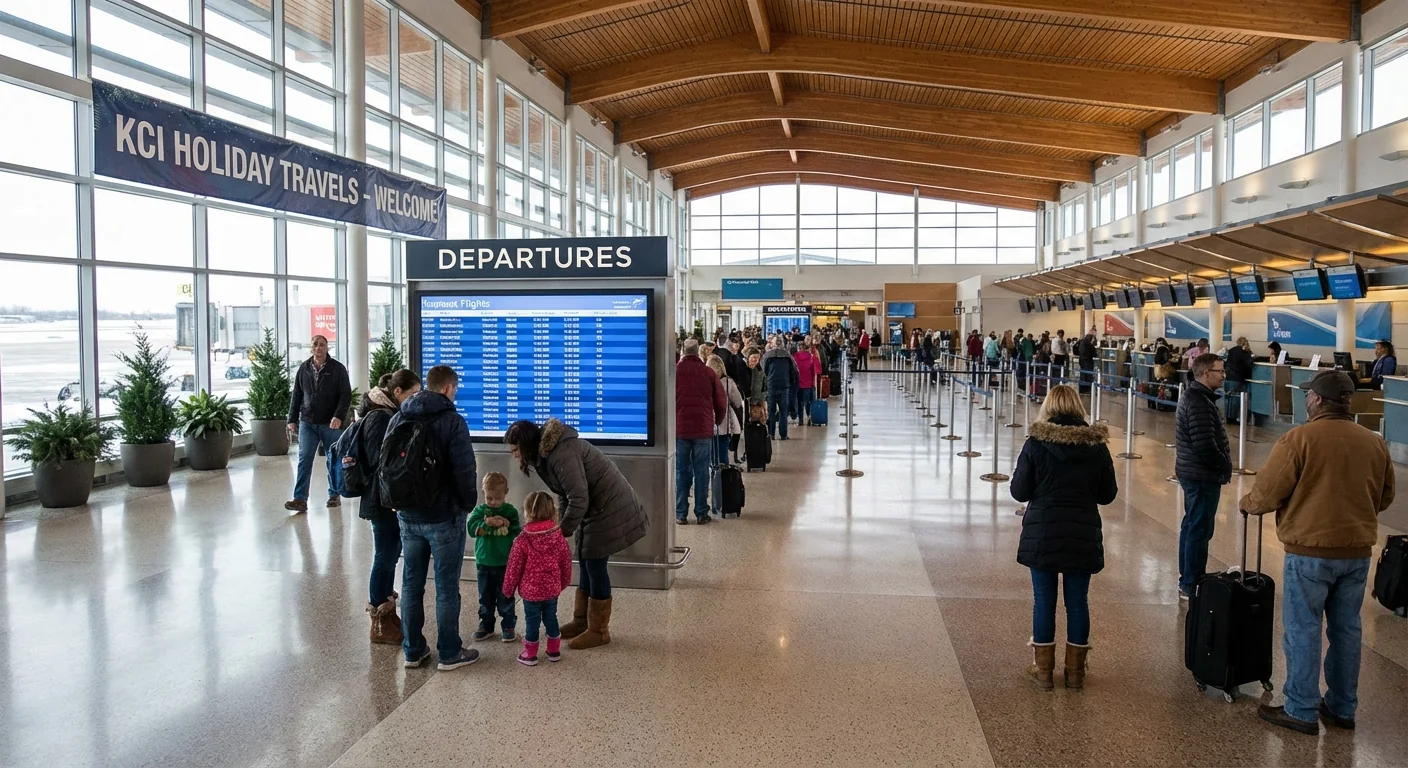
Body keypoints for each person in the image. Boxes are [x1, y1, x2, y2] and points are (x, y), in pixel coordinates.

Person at [1240, 370, 1395, 735]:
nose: (1307, 399)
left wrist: (1248, 504)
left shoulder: (1300, 439)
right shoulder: (1373, 442)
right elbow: (1385, 496)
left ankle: (1301, 708)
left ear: (1318, 401)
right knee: (1347, 629)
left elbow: (1268, 492)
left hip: (1309, 551)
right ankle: (1342, 707)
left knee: (1303, 628)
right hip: (1356, 551)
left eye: (1310, 395)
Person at [504, 419, 649, 650]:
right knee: (585, 559)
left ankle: (599, 631)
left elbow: (578, 498)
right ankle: (582, 621)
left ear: (527, 444)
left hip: (608, 508)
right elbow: (564, 492)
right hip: (594, 508)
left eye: (515, 450)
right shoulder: (545, 455)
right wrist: (561, 526)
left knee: (595, 564)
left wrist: (561, 533)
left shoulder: (560, 453)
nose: (514, 455)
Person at [1010, 384, 1117, 690]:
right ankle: (1075, 672)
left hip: (1043, 531)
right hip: (1082, 531)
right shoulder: (1096, 445)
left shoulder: (1036, 443)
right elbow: (1108, 495)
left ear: (1049, 407)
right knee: (1077, 602)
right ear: (1077, 407)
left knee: (1043, 600)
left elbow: (1019, 491)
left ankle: (1043, 671)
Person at [386, 364, 480, 670]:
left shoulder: (400, 415)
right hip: (444, 516)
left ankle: (413, 651)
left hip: (407, 514)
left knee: (412, 584)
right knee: (446, 586)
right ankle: (450, 652)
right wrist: (467, 505)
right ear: (448, 389)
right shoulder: (453, 421)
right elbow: (464, 471)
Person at [357, 369, 421, 645]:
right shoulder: (379, 419)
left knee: (391, 554)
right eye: (413, 394)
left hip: (387, 499)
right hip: (380, 500)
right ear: (397, 393)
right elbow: (379, 463)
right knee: (384, 555)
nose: (416, 400)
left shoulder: (388, 416)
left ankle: (387, 611)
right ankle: (378, 620)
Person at [1174, 353, 1232, 601]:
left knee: (1191, 525)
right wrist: (1223, 465)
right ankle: (1191, 582)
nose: (1224, 375)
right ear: (1206, 373)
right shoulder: (1198, 401)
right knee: (1199, 528)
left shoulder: (1197, 397)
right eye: (1220, 371)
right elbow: (1204, 444)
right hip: (1201, 474)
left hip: (1193, 472)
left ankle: (1187, 577)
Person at [502, 491, 575, 667]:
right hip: (551, 590)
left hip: (530, 592)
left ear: (527, 512)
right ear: (552, 512)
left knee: (532, 621)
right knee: (551, 617)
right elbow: (566, 562)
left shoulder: (522, 540)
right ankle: (553, 650)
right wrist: (562, 583)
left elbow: (513, 568)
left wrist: (507, 590)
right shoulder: (558, 537)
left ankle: (530, 654)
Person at [284, 335, 351, 513]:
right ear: (311, 348)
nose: (318, 348)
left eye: (322, 345)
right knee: (305, 458)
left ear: (327, 348)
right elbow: (297, 394)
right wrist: (292, 419)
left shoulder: (337, 369)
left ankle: (334, 494)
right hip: (308, 422)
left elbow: (345, 394)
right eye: (315, 344)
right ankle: (300, 499)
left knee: (333, 459)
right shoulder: (304, 368)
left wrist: (338, 416)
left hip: (331, 423)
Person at [466, 471, 521, 643]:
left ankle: (508, 625)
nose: (493, 502)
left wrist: (506, 523)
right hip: (484, 562)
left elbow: (517, 533)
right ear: (483, 493)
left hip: (505, 562)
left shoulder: (510, 511)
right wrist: (486, 523)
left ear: (506, 493)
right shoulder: (480, 511)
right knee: (485, 595)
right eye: (489, 498)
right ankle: (486, 624)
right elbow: (471, 529)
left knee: (506, 595)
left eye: (497, 498)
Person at [675, 338, 725, 525]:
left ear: (682, 351)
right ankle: (701, 513)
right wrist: (716, 421)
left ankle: (680, 513)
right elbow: (721, 401)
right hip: (703, 430)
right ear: (698, 352)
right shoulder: (709, 373)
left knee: (681, 472)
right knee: (702, 471)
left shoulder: (674, 372)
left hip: (680, 429)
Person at [706, 354, 744, 462]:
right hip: (723, 422)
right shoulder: (728, 382)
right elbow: (737, 401)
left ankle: (712, 474)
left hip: (707, 423)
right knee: (723, 451)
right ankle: (723, 474)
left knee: (710, 453)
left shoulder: (704, 381)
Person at [763, 338, 799, 441]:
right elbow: (794, 371)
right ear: (783, 344)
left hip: (771, 386)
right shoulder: (788, 356)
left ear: (773, 344)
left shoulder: (767, 356)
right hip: (784, 386)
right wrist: (791, 383)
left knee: (771, 411)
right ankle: (783, 435)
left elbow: (763, 371)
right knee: (783, 411)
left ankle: (771, 434)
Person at [1224, 336, 1255, 424]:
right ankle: (1233, 418)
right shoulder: (1244, 351)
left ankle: (1228, 417)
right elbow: (1249, 363)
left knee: (1229, 398)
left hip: (1229, 376)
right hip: (1238, 378)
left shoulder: (1231, 350)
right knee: (1236, 399)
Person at [793, 342, 821, 426]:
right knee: (808, 402)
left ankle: (800, 420)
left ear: (798, 348)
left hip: (797, 384)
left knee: (799, 402)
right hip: (808, 384)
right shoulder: (812, 357)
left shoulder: (794, 357)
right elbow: (816, 371)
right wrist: (814, 384)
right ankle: (809, 416)